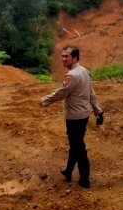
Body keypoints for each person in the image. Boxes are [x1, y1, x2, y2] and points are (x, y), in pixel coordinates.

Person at [40, 45, 104, 188]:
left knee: (78, 147)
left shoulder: (72, 75)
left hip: (74, 117)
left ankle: (84, 179)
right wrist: (98, 111)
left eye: (66, 56)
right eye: (62, 56)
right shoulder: (85, 72)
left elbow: (61, 93)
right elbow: (91, 94)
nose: (63, 59)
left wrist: (46, 100)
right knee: (75, 145)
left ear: (74, 58)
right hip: (83, 115)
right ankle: (68, 170)